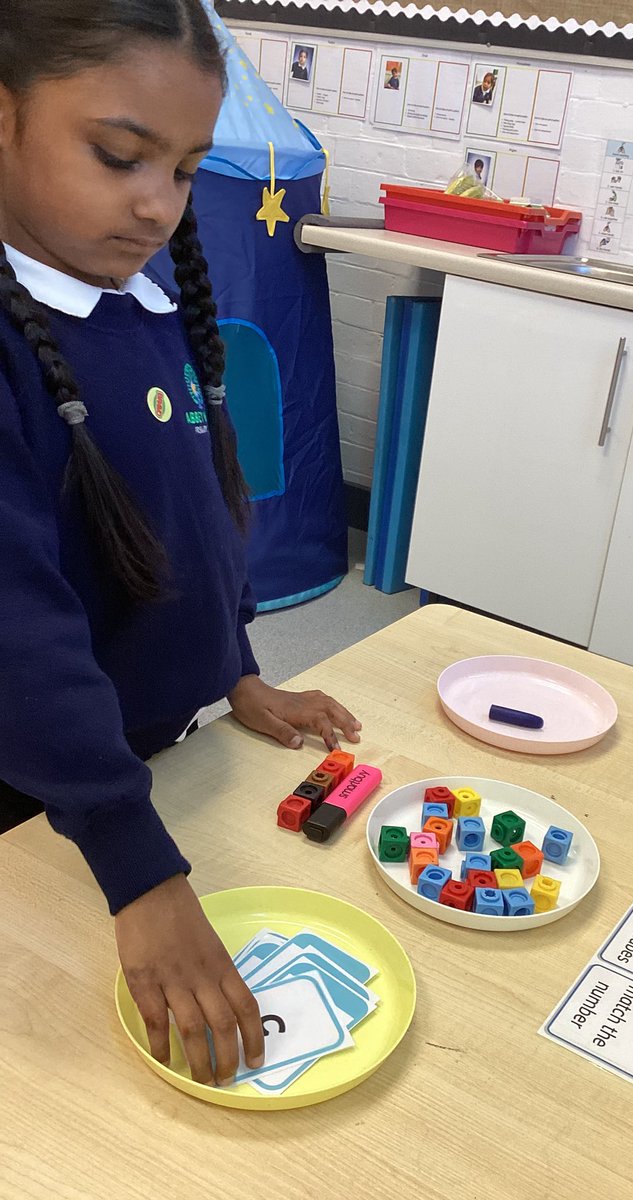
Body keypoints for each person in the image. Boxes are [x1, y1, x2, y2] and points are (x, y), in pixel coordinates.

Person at [0, 0, 361, 1089]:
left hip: (159, 765)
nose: (158, 206)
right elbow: (18, 634)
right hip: (43, 803)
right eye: (118, 156)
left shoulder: (143, 301)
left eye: (189, 168)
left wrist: (235, 674)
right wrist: (138, 871)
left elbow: (195, 524)